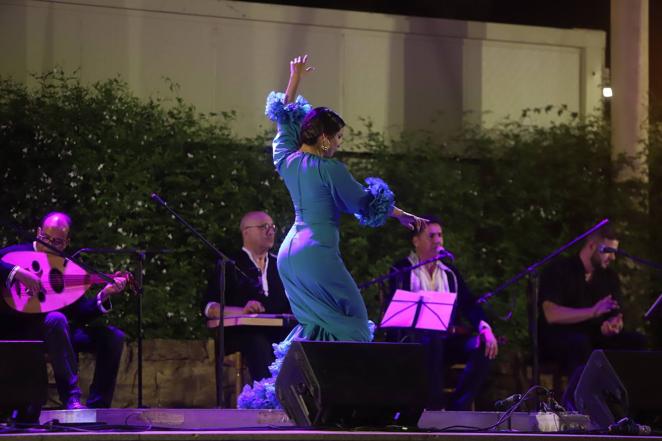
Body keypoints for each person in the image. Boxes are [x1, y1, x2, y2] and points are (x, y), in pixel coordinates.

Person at [266, 54, 426, 342]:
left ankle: (303, 385)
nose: (339, 143)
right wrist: (403, 215)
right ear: (325, 138)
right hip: (316, 251)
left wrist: (295, 78)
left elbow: (286, 119)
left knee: (318, 324)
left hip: (289, 254)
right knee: (354, 322)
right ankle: (342, 386)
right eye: (338, 137)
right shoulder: (330, 169)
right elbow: (365, 202)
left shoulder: (287, 159)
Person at [0, 212, 127, 409]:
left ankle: (98, 407)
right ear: (38, 232)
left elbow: (80, 313)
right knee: (56, 318)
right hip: (22, 331)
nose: (49, 245)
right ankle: (71, 398)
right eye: (45, 238)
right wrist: (16, 272)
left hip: (60, 333)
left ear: (66, 243)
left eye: (57, 242)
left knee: (113, 337)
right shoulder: (15, 253)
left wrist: (104, 295)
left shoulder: (67, 267)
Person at [385, 217, 498, 410]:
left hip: (448, 342)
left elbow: (469, 303)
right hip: (414, 344)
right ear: (416, 241)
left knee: (483, 346)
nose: (438, 240)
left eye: (440, 235)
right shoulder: (401, 269)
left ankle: (457, 406)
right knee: (432, 340)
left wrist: (485, 327)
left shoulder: (450, 273)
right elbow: (395, 309)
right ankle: (434, 408)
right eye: (431, 236)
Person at [539, 226, 645, 409]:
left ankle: (632, 407)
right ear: (591, 246)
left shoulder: (609, 277)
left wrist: (613, 325)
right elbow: (551, 314)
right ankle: (580, 405)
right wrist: (592, 311)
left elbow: (616, 314)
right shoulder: (559, 269)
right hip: (561, 336)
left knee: (637, 341)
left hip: (596, 336)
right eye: (608, 251)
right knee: (580, 343)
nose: (612, 257)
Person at [203, 210, 293, 382]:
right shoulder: (228, 265)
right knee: (257, 341)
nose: (270, 231)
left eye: (272, 227)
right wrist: (242, 311)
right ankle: (267, 395)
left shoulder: (282, 264)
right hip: (242, 333)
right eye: (263, 227)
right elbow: (209, 308)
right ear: (246, 231)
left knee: (300, 339)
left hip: (278, 331)